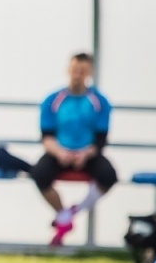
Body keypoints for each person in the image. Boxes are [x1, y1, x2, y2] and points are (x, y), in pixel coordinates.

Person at [34, 53, 115, 247]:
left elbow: (101, 139)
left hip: (87, 153)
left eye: (83, 71)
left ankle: (73, 212)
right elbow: (46, 136)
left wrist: (85, 153)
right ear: (68, 70)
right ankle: (62, 213)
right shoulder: (53, 99)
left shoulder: (99, 101)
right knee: (38, 173)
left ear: (90, 73)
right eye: (75, 70)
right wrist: (60, 152)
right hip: (59, 152)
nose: (78, 75)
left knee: (109, 176)